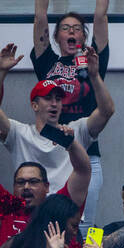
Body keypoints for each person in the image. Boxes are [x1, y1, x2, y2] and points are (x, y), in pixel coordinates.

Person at [31, 0, 114, 230]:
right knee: (49, 223)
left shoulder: (91, 61)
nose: (71, 32)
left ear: (82, 37)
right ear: (56, 37)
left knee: (87, 225)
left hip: (88, 151)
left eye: (77, 29)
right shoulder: (48, 62)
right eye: (65, 28)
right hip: (51, 152)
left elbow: (101, 16)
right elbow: (40, 18)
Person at [0, 46, 113, 199]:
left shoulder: (76, 130)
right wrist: (1, 72)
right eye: (48, 98)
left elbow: (107, 111)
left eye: (58, 99)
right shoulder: (19, 133)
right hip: (28, 214)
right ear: (35, 105)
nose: (54, 103)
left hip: (64, 214)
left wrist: (94, 76)